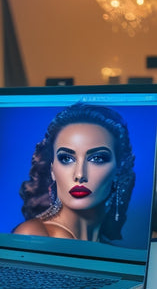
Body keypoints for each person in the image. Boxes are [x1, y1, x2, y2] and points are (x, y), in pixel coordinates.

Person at [13, 102, 135, 242]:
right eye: (66, 159)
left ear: (118, 170)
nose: (79, 175)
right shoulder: (33, 234)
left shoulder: (109, 248)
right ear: (52, 170)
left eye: (97, 159)